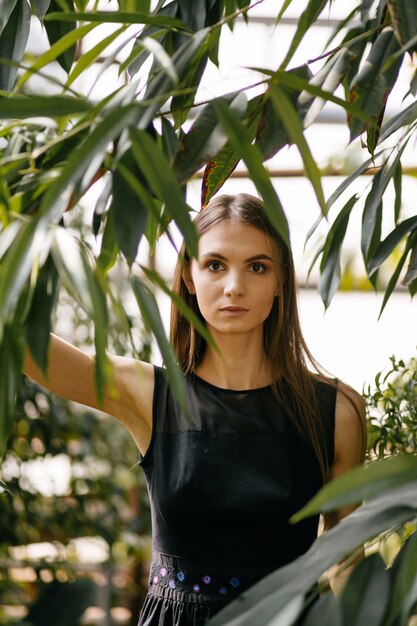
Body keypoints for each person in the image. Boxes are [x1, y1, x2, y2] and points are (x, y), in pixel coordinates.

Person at [23, 193, 366, 626]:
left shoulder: (334, 411)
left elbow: (347, 559)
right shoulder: (147, 395)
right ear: (188, 275)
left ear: (281, 280)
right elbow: (30, 349)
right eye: (215, 265)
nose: (234, 286)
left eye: (257, 267)